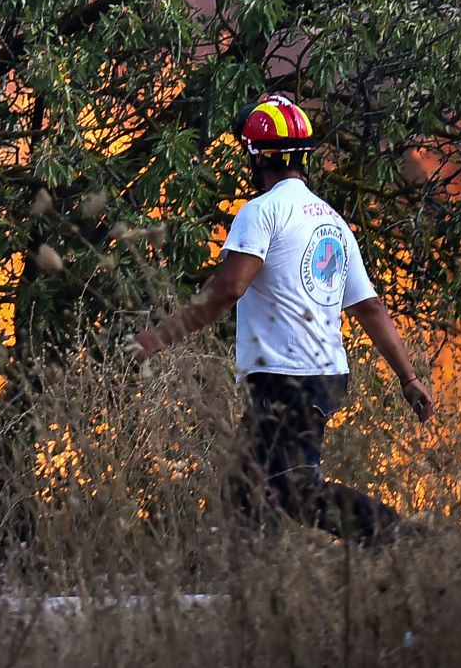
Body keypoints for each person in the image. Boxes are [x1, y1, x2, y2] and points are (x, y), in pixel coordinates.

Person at [128, 94, 433, 546]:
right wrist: (408, 378)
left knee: (295, 490)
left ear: (255, 157)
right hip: (325, 375)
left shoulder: (261, 212)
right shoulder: (333, 221)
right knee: (247, 490)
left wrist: (158, 336)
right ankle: (259, 592)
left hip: (285, 377)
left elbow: (229, 289)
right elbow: (369, 307)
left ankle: (401, 538)